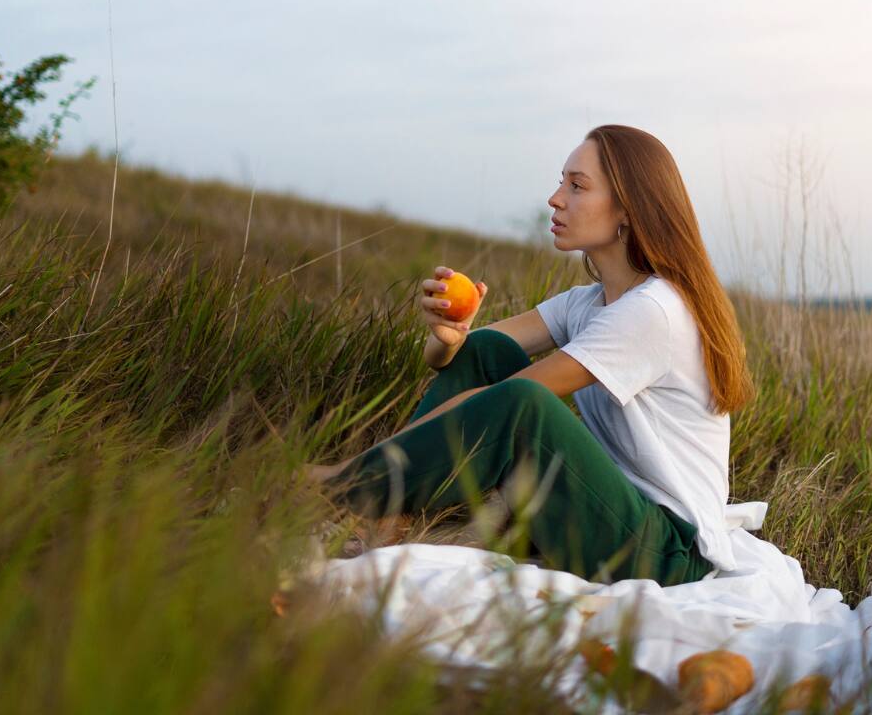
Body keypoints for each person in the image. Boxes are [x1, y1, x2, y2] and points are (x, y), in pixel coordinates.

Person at [305, 124, 756, 586]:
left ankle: (349, 492)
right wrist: (449, 335)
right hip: (608, 511)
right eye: (562, 183)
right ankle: (390, 509)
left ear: (627, 208)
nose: (555, 199)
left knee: (525, 405)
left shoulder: (653, 311)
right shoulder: (587, 303)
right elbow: (459, 359)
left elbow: (512, 404)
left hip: (665, 552)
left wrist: (347, 472)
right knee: (486, 350)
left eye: (577, 186)